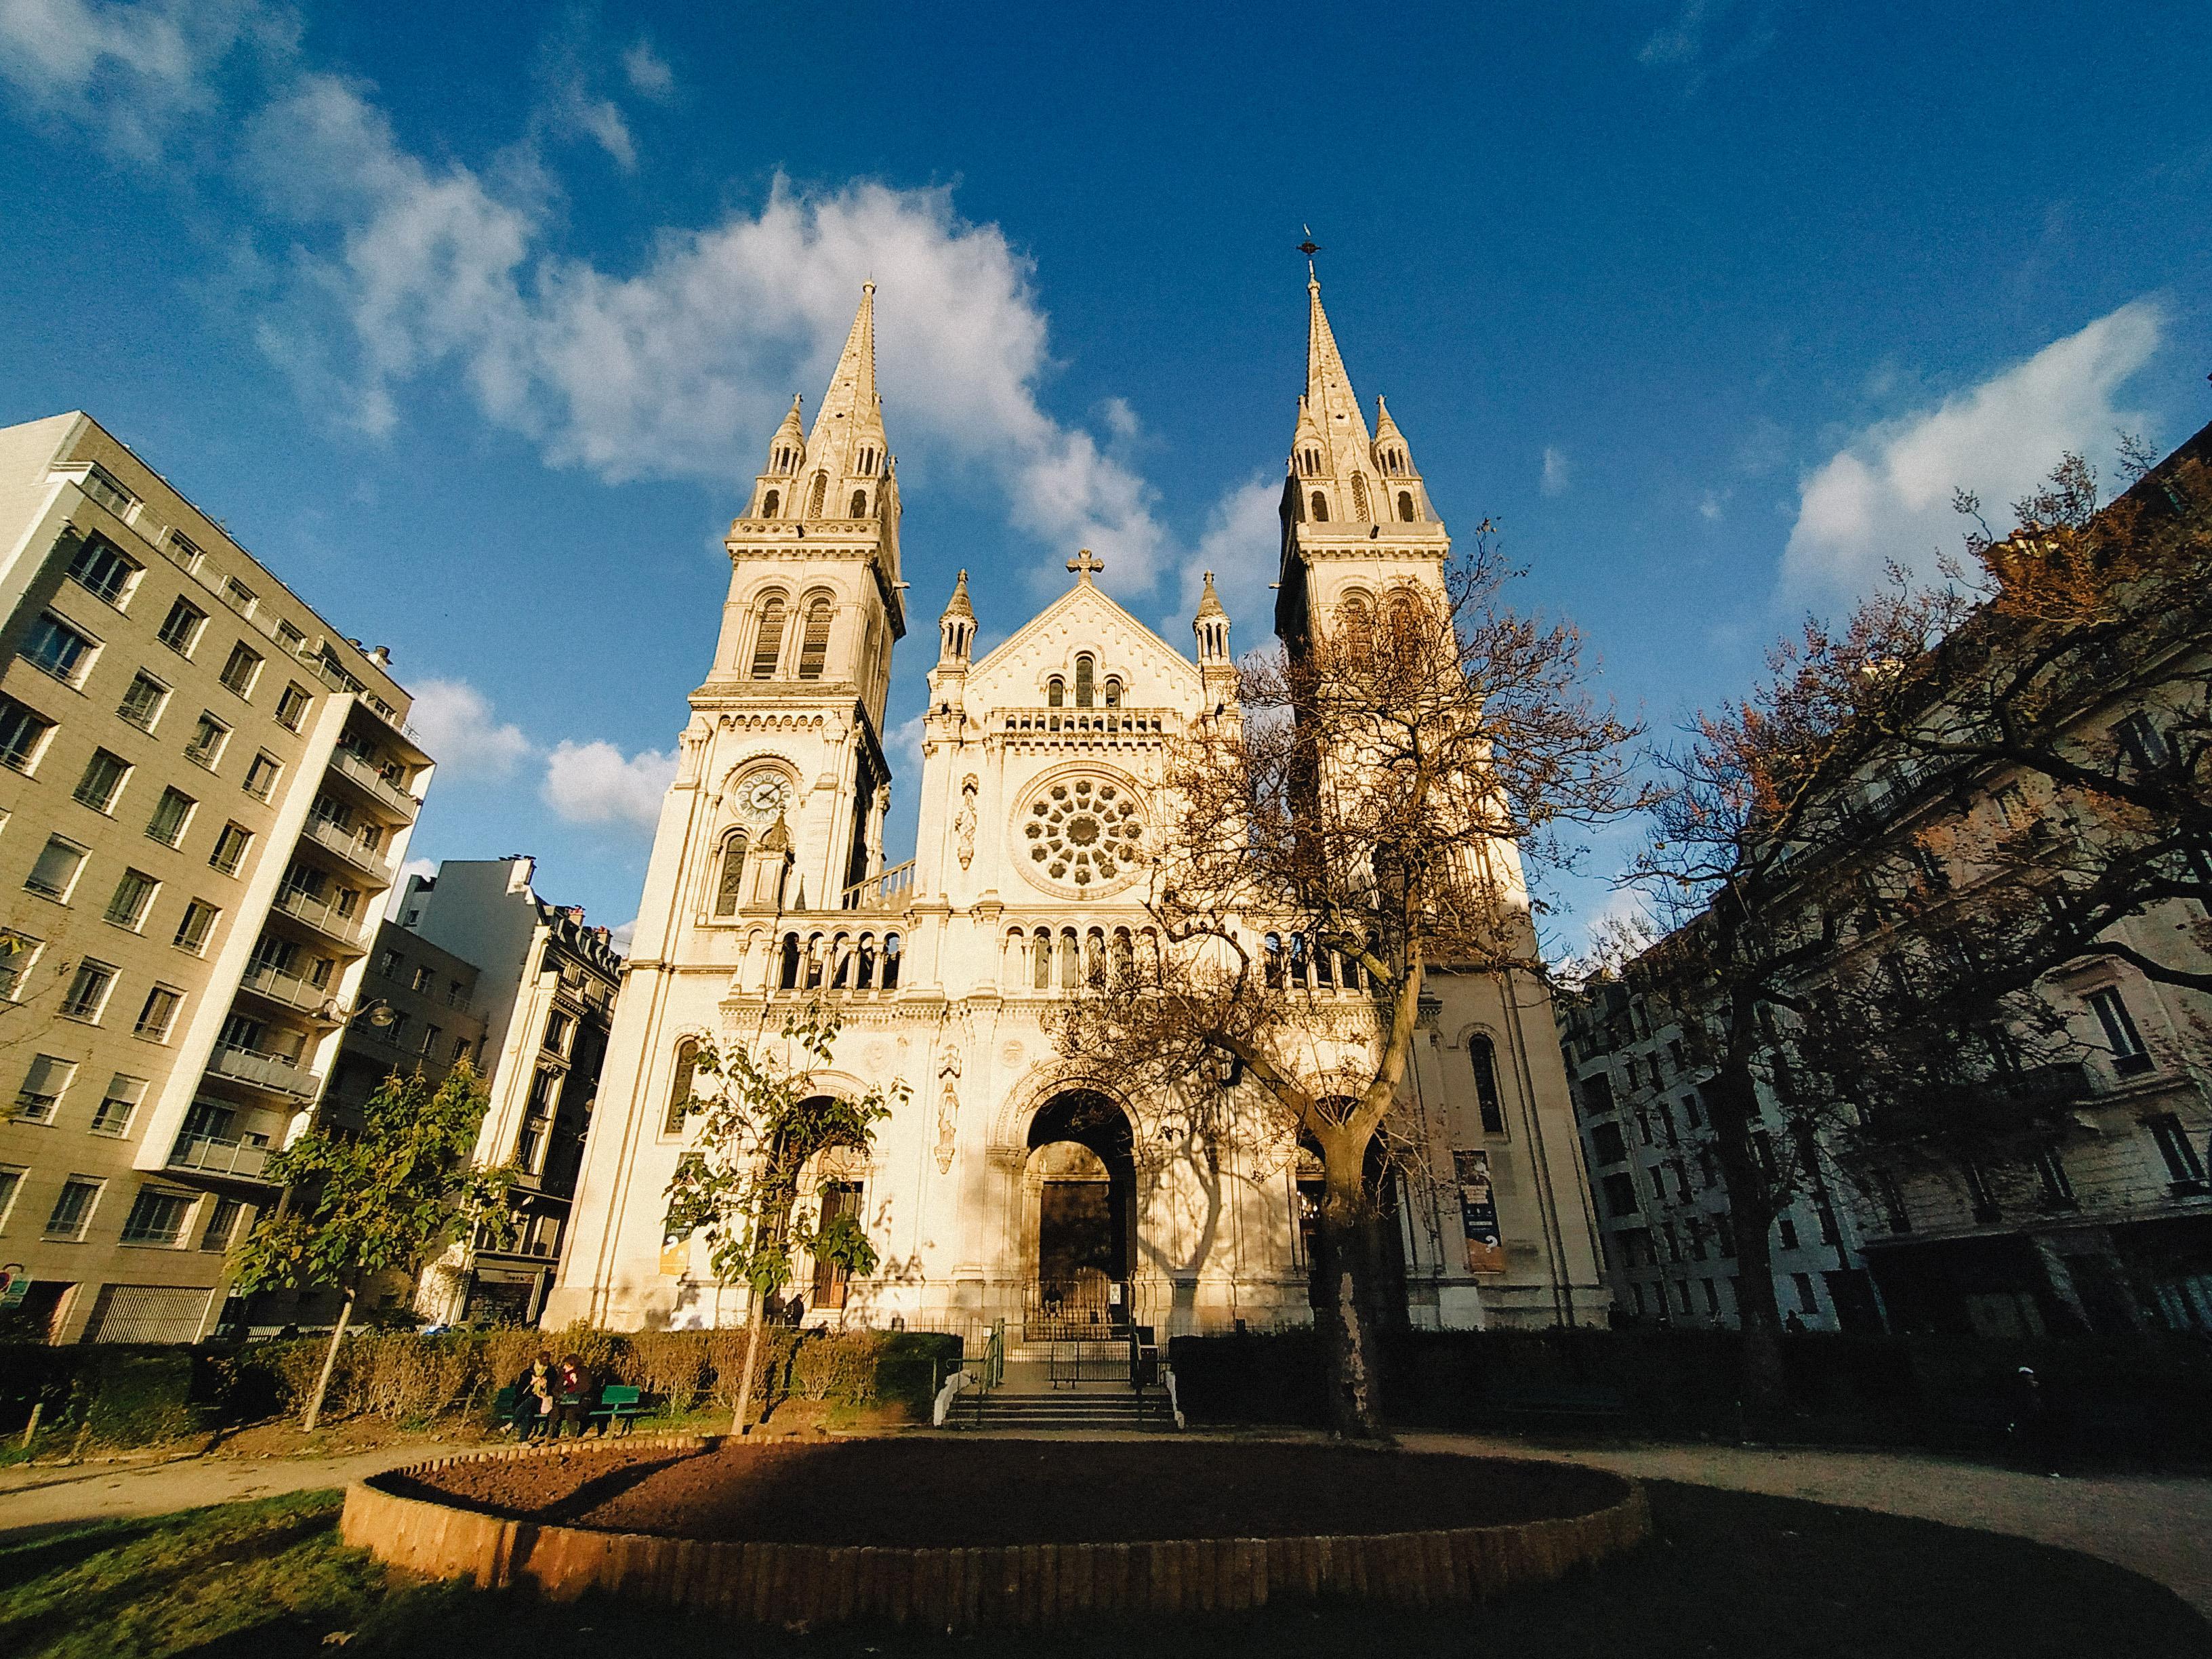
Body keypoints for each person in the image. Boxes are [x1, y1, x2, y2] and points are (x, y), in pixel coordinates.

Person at [554, 1353, 596, 1437]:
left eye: (567, 1365)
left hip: (581, 1402)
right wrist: (563, 1393)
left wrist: (576, 1383)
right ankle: (552, 1434)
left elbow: (586, 1388)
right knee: (555, 1411)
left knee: (571, 1412)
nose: (564, 1368)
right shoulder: (564, 1375)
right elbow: (556, 1389)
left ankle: (573, 1435)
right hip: (565, 1401)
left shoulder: (584, 1373)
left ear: (573, 1365)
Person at [514, 1356, 555, 1442]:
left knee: (531, 1401)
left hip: (540, 1403)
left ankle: (512, 1424)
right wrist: (531, 1383)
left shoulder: (550, 1374)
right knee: (528, 1410)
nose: (542, 1369)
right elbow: (520, 1392)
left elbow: (553, 1392)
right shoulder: (527, 1374)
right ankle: (523, 1440)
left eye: (544, 1367)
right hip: (524, 1403)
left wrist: (545, 1387)